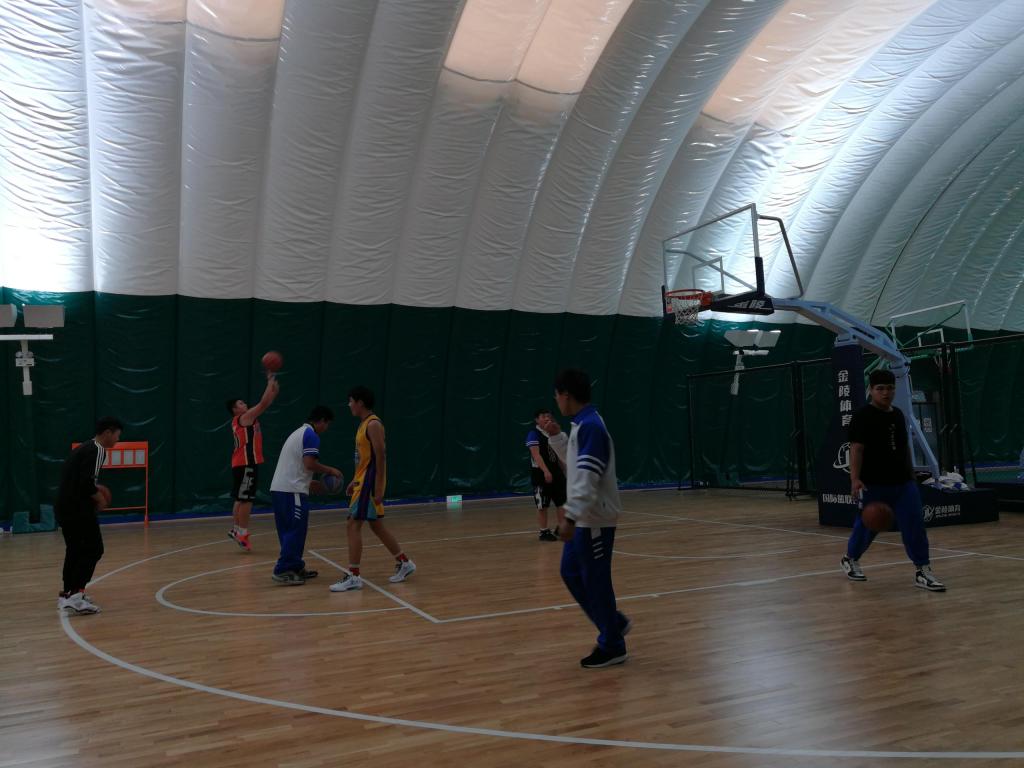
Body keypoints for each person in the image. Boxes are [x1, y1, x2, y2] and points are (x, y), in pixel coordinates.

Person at [841, 369, 945, 591]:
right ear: (871, 390)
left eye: (890, 388)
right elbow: (856, 449)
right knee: (869, 525)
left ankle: (922, 570)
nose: (886, 393)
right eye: (880, 389)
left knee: (914, 524)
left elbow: (903, 446)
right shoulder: (862, 416)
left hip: (902, 482)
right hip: (873, 483)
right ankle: (850, 558)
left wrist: (911, 474)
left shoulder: (897, 414)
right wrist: (855, 479)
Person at [554, 369, 631, 668]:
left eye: (557, 395)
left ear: (566, 395)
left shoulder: (592, 427)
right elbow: (575, 465)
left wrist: (570, 516)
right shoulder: (582, 425)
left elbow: (587, 476)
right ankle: (613, 623)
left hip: (593, 520)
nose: (556, 401)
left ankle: (612, 645)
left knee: (595, 581)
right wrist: (556, 438)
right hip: (584, 518)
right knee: (571, 572)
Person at [329, 386, 416, 592]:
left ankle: (354, 576)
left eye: (351, 401)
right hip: (363, 481)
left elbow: (380, 457)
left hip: (369, 483)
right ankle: (404, 562)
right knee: (376, 526)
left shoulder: (374, 424)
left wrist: (378, 487)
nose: (349, 405)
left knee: (352, 524)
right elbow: (364, 459)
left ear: (360, 402)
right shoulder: (363, 424)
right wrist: (354, 480)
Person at [56, 416, 123, 615]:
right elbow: (86, 483)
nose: (118, 440)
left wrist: (93, 491)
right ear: (108, 432)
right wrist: (100, 499)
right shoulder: (98, 450)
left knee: (74, 549)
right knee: (94, 549)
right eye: (117, 435)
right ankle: (76, 596)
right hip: (77, 509)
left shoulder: (84, 447)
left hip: (64, 507)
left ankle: (67, 595)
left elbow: (76, 479)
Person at [269, 406, 342, 585]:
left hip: (282, 488)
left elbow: (295, 465)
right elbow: (309, 463)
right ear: (322, 420)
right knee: (295, 530)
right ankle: (282, 570)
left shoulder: (299, 432)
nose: (326, 428)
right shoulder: (311, 435)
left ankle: (294, 566)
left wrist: (308, 482)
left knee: (290, 530)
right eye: (327, 424)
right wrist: (330, 470)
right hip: (291, 490)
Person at [225, 372, 280, 551]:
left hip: (239, 463)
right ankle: (242, 532)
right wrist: (270, 380)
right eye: (241, 403)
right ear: (235, 410)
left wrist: (273, 387)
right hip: (246, 463)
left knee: (239, 498)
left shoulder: (243, 419)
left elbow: (267, 401)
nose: (245, 404)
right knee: (247, 499)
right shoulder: (245, 418)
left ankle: (236, 529)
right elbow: (263, 403)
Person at [526, 408, 567, 541]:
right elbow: (536, 455)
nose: (547, 418)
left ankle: (561, 528)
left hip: (557, 473)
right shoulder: (534, 434)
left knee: (562, 502)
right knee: (542, 505)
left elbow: (559, 454)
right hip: (541, 474)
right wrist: (546, 471)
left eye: (549, 416)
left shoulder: (554, 434)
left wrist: (564, 469)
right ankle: (543, 531)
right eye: (543, 416)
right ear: (537, 420)